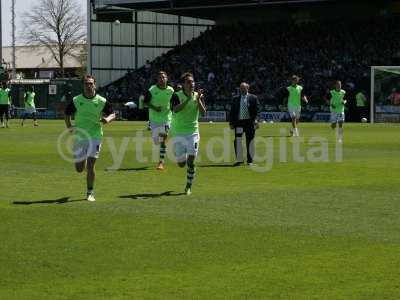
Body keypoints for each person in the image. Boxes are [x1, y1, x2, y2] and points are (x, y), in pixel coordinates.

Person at [64, 75, 116, 202]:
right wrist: (70, 127)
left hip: (95, 136)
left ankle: (90, 192)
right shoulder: (77, 100)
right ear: (83, 85)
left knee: (91, 165)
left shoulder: (101, 101)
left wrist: (107, 119)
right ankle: (82, 161)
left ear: (95, 85)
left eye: (91, 84)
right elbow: (67, 114)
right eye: (86, 84)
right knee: (79, 169)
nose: (88, 86)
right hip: (80, 137)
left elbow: (113, 113)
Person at [170, 72, 206, 195]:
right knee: (181, 164)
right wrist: (188, 100)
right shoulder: (176, 95)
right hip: (179, 132)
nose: (191, 84)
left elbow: (203, 113)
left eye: (193, 82)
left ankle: (188, 186)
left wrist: (199, 99)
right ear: (183, 84)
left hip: (193, 133)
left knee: (191, 162)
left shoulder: (198, 96)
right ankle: (183, 157)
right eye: (188, 82)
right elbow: (175, 110)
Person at [144, 71, 174, 170]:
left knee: (163, 139)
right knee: (157, 141)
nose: (162, 79)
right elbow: (145, 103)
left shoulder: (171, 90)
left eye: (163, 77)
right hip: (154, 119)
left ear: (167, 79)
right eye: (160, 77)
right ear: (157, 79)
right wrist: (155, 108)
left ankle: (161, 162)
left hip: (166, 118)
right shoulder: (152, 90)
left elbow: (175, 103)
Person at [229, 82, 259, 166]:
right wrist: (231, 123)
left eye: (243, 88)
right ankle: (239, 160)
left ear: (247, 88)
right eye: (240, 88)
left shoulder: (253, 98)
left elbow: (257, 110)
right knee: (237, 141)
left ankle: (250, 161)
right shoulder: (235, 99)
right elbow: (232, 112)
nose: (241, 90)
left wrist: (256, 120)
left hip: (249, 123)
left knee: (250, 142)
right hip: (239, 123)